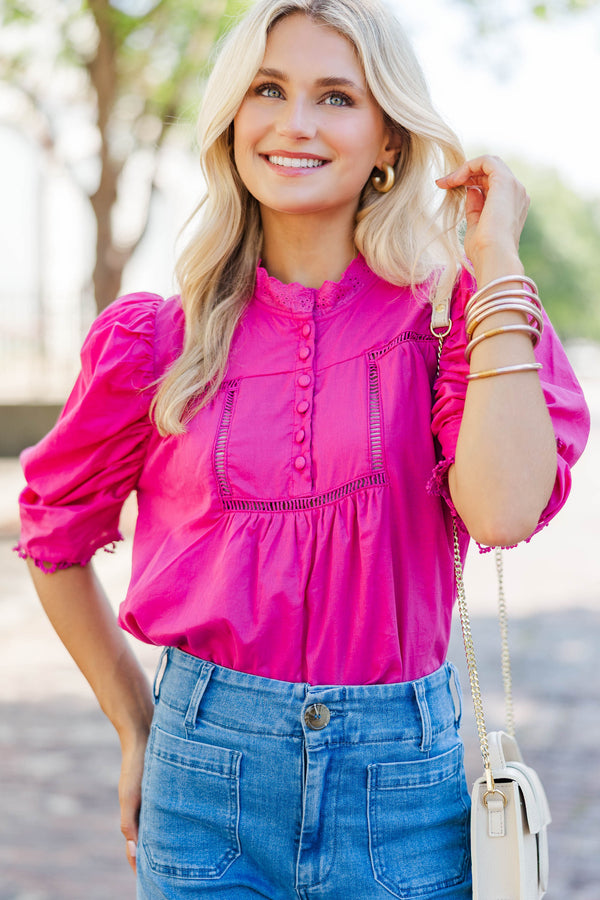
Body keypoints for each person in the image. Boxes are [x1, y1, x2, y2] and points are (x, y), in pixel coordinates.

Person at [16, 1, 589, 897]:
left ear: (389, 139)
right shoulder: (157, 344)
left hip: (403, 788)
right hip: (202, 778)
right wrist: (137, 723)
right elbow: (52, 535)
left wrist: (499, 261)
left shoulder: (455, 321)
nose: (294, 123)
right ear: (232, 119)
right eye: (268, 90)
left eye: (335, 98)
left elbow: (507, 508)